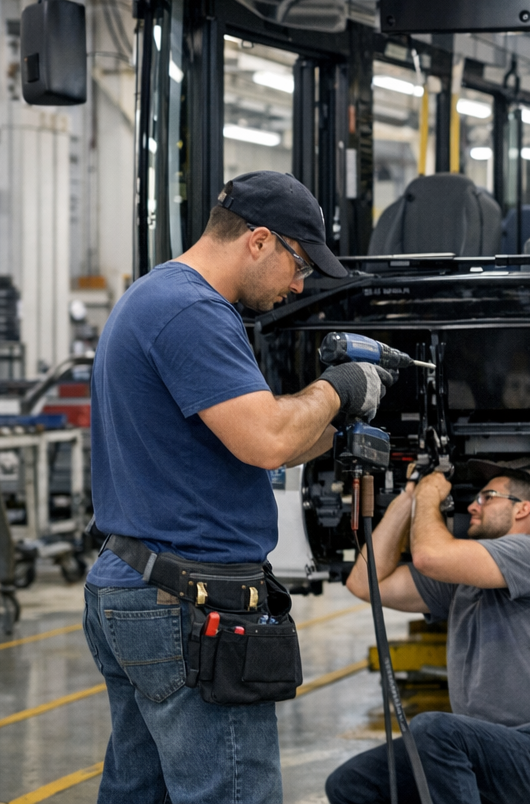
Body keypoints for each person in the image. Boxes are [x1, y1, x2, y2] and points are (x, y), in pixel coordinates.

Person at [85, 171, 399, 803]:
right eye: (299, 263)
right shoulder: (191, 311)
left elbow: (265, 441)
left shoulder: (159, 297)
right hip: (186, 603)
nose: (299, 285)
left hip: (138, 585)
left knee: (140, 793)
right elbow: (270, 441)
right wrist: (338, 387)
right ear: (259, 241)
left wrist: (337, 423)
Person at [325, 466, 530, 804]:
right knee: (352, 783)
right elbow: (364, 583)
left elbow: (429, 556)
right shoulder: (463, 583)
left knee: (435, 732)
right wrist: (409, 495)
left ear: (522, 509)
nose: (473, 506)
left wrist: (430, 493)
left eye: (487, 497)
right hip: (493, 754)